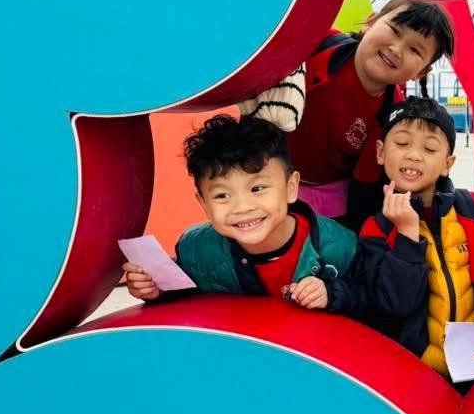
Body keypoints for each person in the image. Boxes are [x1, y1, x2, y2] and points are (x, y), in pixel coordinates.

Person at [238, 0, 455, 230]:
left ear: (422, 72)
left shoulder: (392, 118)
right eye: (394, 31)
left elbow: (365, 186)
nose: (396, 49)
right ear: (371, 22)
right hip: (258, 171)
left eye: (414, 49)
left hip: (326, 201)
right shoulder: (315, 43)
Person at [122, 115, 363, 314]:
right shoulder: (198, 251)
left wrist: (332, 294)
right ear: (203, 203)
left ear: (291, 188)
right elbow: (185, 293)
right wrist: (156, 289)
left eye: (257, 189)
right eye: (222, 195)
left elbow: (367, 298)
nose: (242, 207)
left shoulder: (339, 247)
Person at [355, 97, 474, 382]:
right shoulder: (375, 229)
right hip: (413, 376)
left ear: (447, 163)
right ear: (380, 152)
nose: (414, 155)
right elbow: (395, 305)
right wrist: (407, 233)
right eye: (402, 143)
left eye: (429, 148)